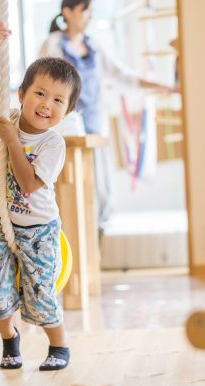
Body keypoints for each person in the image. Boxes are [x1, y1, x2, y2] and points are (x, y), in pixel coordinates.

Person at [0, 21, 81, 371]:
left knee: (41, 297)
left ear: (68, 111)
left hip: (39, 231)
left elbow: (29, 183)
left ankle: (59, 346)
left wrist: (12, 140)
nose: (47, 104)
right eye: (40, 93)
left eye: (58, 100)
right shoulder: (6, 118)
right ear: (21, 94)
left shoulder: (53, 143)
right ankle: (9, 338)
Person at [39, 0, 171, 230]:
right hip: (64, 134)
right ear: (67, 12)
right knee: (69, 199)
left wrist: (158, 85)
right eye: (85, 10)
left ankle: (95, 254)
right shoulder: (52, 45)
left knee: (100, 196)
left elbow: (122, 75)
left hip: (95, 131)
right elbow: (40, 85)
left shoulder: (95, 46)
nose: (89, 15)